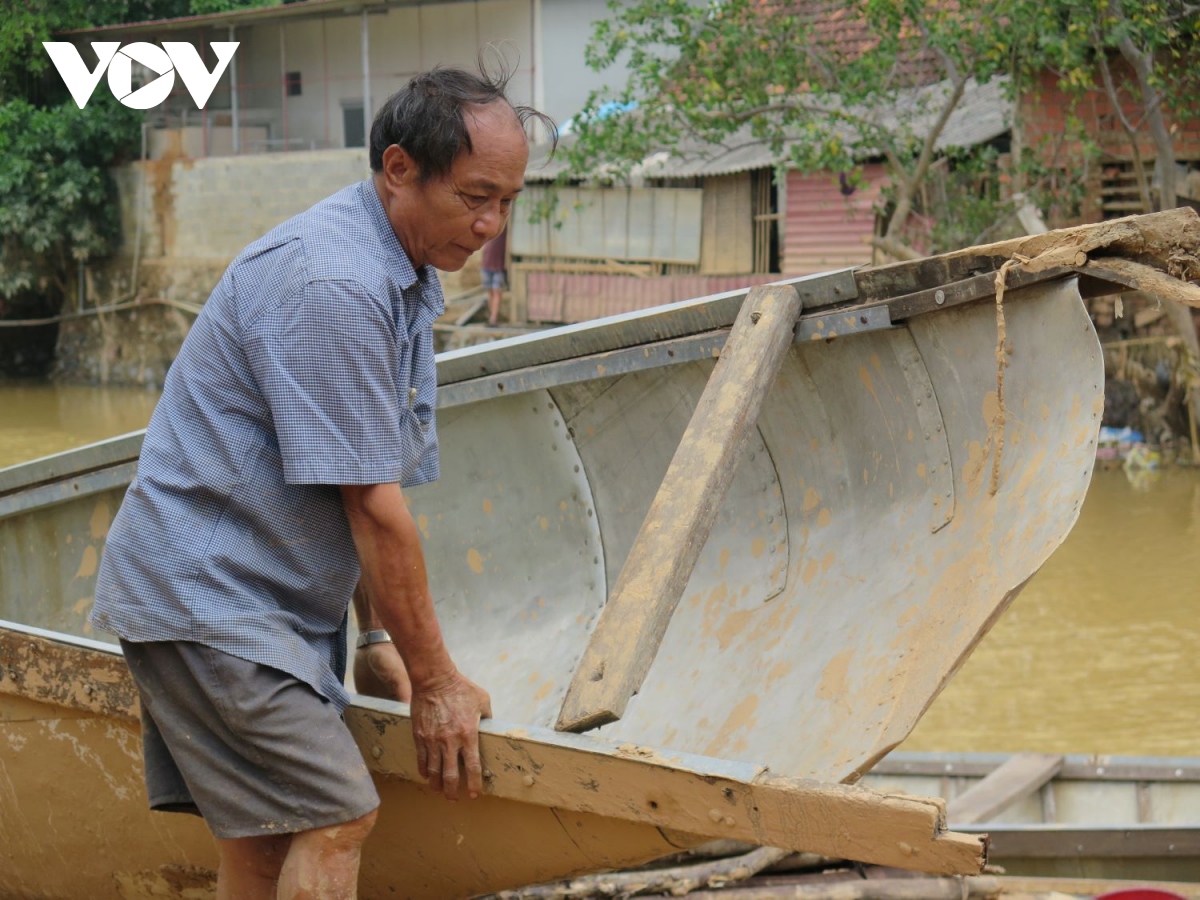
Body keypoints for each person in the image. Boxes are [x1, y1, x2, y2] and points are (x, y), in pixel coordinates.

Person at [89, 66, 553, 899]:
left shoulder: (397, 271)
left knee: (264, 846)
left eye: (508, 202)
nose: (491, 225)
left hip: (246, 598)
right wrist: (436, 680)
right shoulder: (334, 283)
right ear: (401, 168)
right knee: (338, 815)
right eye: (476, 196)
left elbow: (359, 482)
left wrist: (377, 645)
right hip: (210, 598)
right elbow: (376, 513)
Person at [481, 226, 508, 326]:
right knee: (490, 292)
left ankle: (493, 318)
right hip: (487, 265)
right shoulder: (488, 231)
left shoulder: (504, 230)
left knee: (497, 292)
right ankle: (492, 316)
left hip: (498, 266)